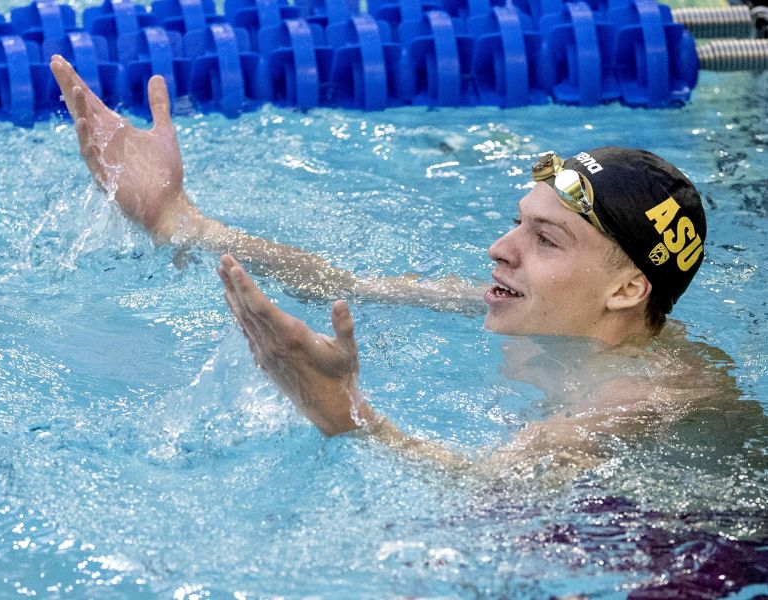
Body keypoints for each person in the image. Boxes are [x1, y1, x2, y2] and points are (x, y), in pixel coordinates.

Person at [49, 55, 734, 473]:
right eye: (516, 222)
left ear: (626, 289)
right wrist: (184, 222)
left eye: (546, 240)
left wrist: (344, 413)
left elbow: (485, 489)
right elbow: (345, 286)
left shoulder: (646, 405)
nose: (501, 248)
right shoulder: (523, 303)